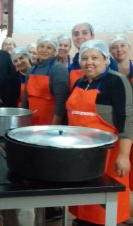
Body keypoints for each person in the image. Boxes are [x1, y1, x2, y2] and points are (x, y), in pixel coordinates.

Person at [66, 40, 133, 226]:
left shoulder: (116, 81)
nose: (89, 62)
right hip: (80, 153)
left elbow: (127, 119)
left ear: (106, 60)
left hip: (108, 155)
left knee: (105, 206)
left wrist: (124, 156)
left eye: (95, 58)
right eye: (85, 58)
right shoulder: (79, 82)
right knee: (83, 202)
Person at [22, 35, 69, 125]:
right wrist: (23, 122)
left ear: (54, 51)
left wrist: (53, 127)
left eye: (49, 48)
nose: (44, 50)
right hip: (31, 121)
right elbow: (25, 100)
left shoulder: (58, 69)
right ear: (37, 48)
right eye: (41, 46)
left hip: (50, 123)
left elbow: (61, 103)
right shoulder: (31, 70)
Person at [69, 22, 118, 89]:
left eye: (85, 33)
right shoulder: (71, 67)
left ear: (92, 36)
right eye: (76, 34)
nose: (80, 36)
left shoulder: (107, 61)